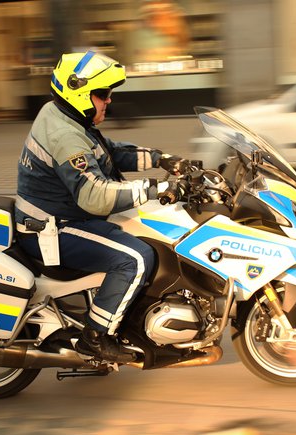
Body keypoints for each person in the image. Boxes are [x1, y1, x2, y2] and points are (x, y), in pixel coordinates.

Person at [15, 51, 184, 362]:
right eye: (103, 95)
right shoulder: (65, 135)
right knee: (136, 258)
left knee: (144, 231)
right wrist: (155, 188)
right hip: (54, 229)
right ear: (80, 93)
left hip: (64, 218)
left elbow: (108, 153)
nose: (109, 101)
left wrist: (163, 159)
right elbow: (93, 196)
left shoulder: (63, 115)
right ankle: (95, 336)